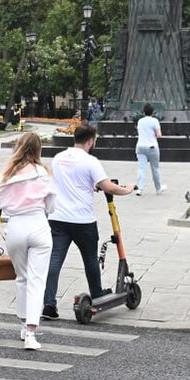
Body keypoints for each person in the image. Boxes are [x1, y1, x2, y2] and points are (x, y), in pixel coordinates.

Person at [41, 124, 136, 321]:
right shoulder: (91, 161)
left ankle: (49, 304)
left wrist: (88, 184)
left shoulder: (59, 158)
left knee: (54, 260)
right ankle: (97, 294)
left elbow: (62, 181)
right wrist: (127, 189)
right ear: (91, 140)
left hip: (58, 218)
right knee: (90, 259)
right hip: (83, 220)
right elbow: (107, 186)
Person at [0, 132, 55, 350]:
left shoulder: (8, 174)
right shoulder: (44, 173)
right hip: (38, 224)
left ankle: (22, 324)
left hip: (16, 226)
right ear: (39, 150)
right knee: (37, 280)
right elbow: (52, 206)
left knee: (22, 277)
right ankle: (30, 333)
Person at [135, 103, 165, 196]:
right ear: (153, 112)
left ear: (143, 112)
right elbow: (159, 135)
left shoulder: (140, 121)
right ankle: (158, 189)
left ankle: (139, 189)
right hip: (152, 147)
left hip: (140, 146)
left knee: (141, 168)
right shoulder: (154, 121)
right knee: (155, 168)